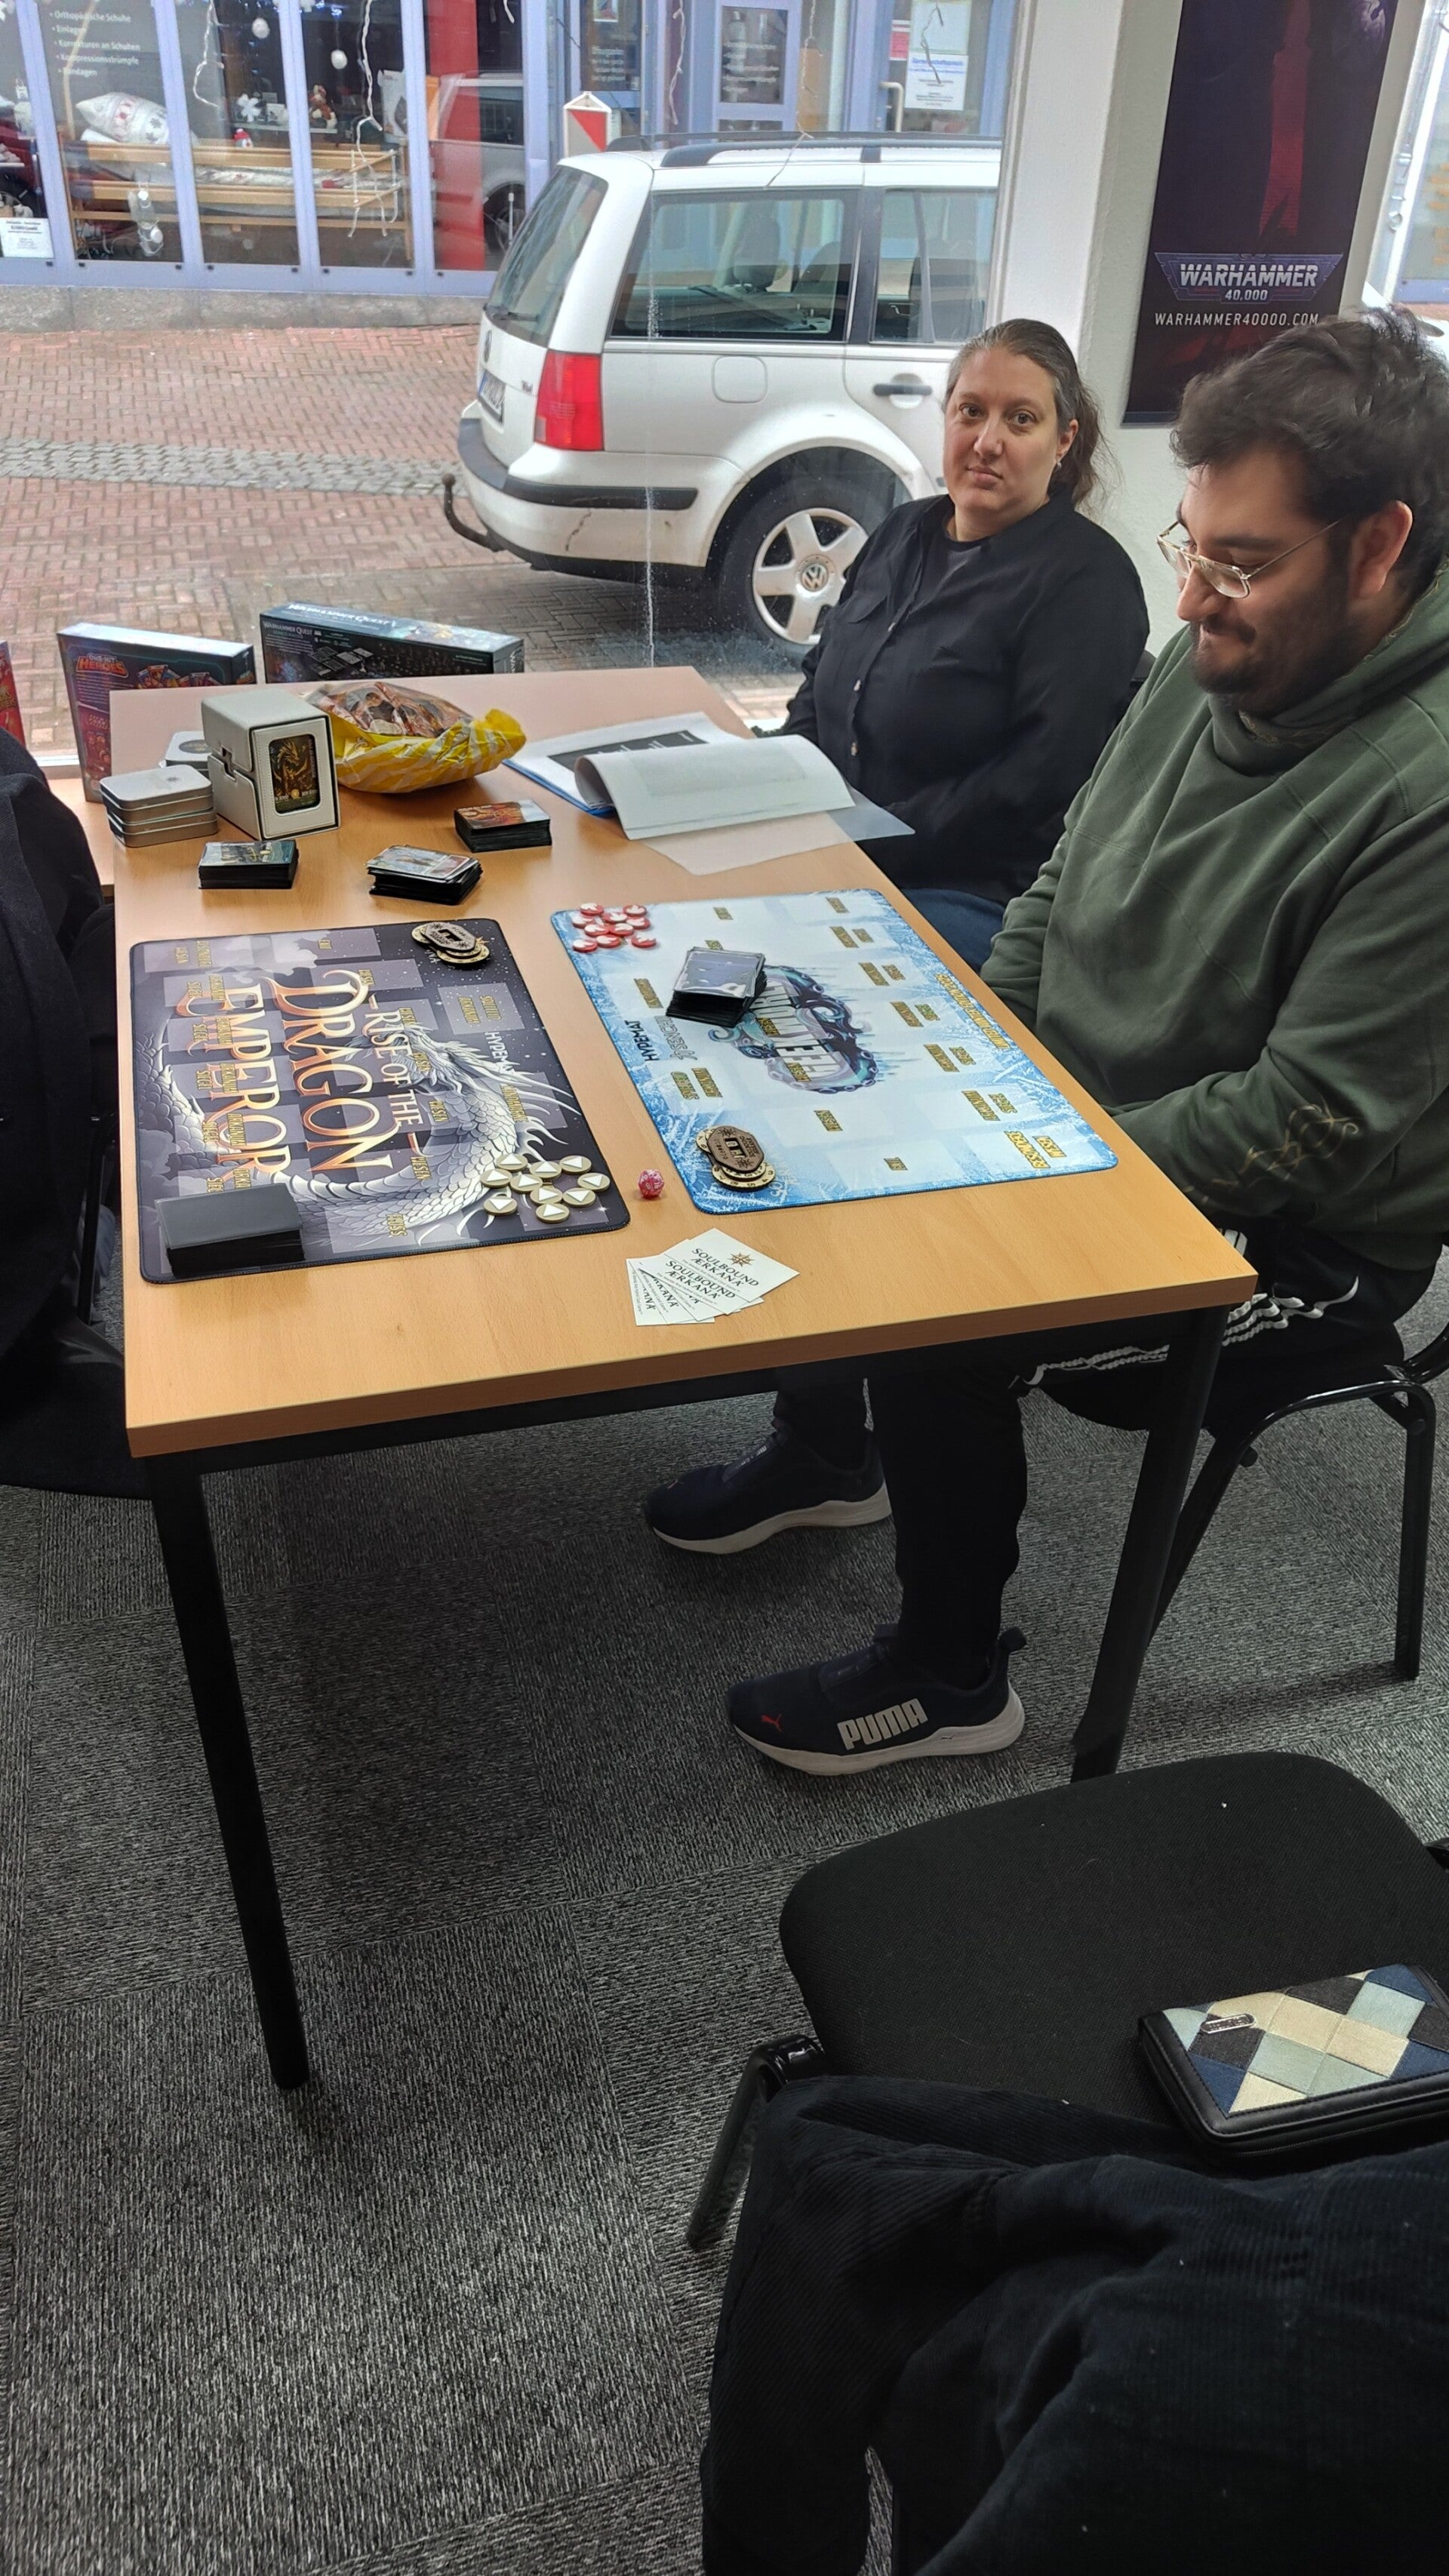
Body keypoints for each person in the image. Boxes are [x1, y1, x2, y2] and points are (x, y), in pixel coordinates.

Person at [645, 307, 1449, 1771]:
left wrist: (1026, 1155)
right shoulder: (1214, 656)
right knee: (826, 1100)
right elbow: (1063, 876)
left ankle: (952, 1673)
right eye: (1192, 546)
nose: (1194, 596)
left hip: (1295, 1239)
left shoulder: (1427, 788)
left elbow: (1308, 1121)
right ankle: (829, 1451)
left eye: (1241, 563)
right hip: (1083, 1111)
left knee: (937, 1292)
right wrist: (983, 1056)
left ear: (1381, 546)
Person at [780, 316, 1147, 971]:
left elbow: (1034, 786)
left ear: (1064, 440)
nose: (987, 441)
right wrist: (785, 787)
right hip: (839, 850)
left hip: (970, 891)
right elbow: (820, 676)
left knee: (796, 972)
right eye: (971, 412)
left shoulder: (1088, 582)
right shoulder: (901, 531)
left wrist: (866, 839)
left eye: (1021, 420)